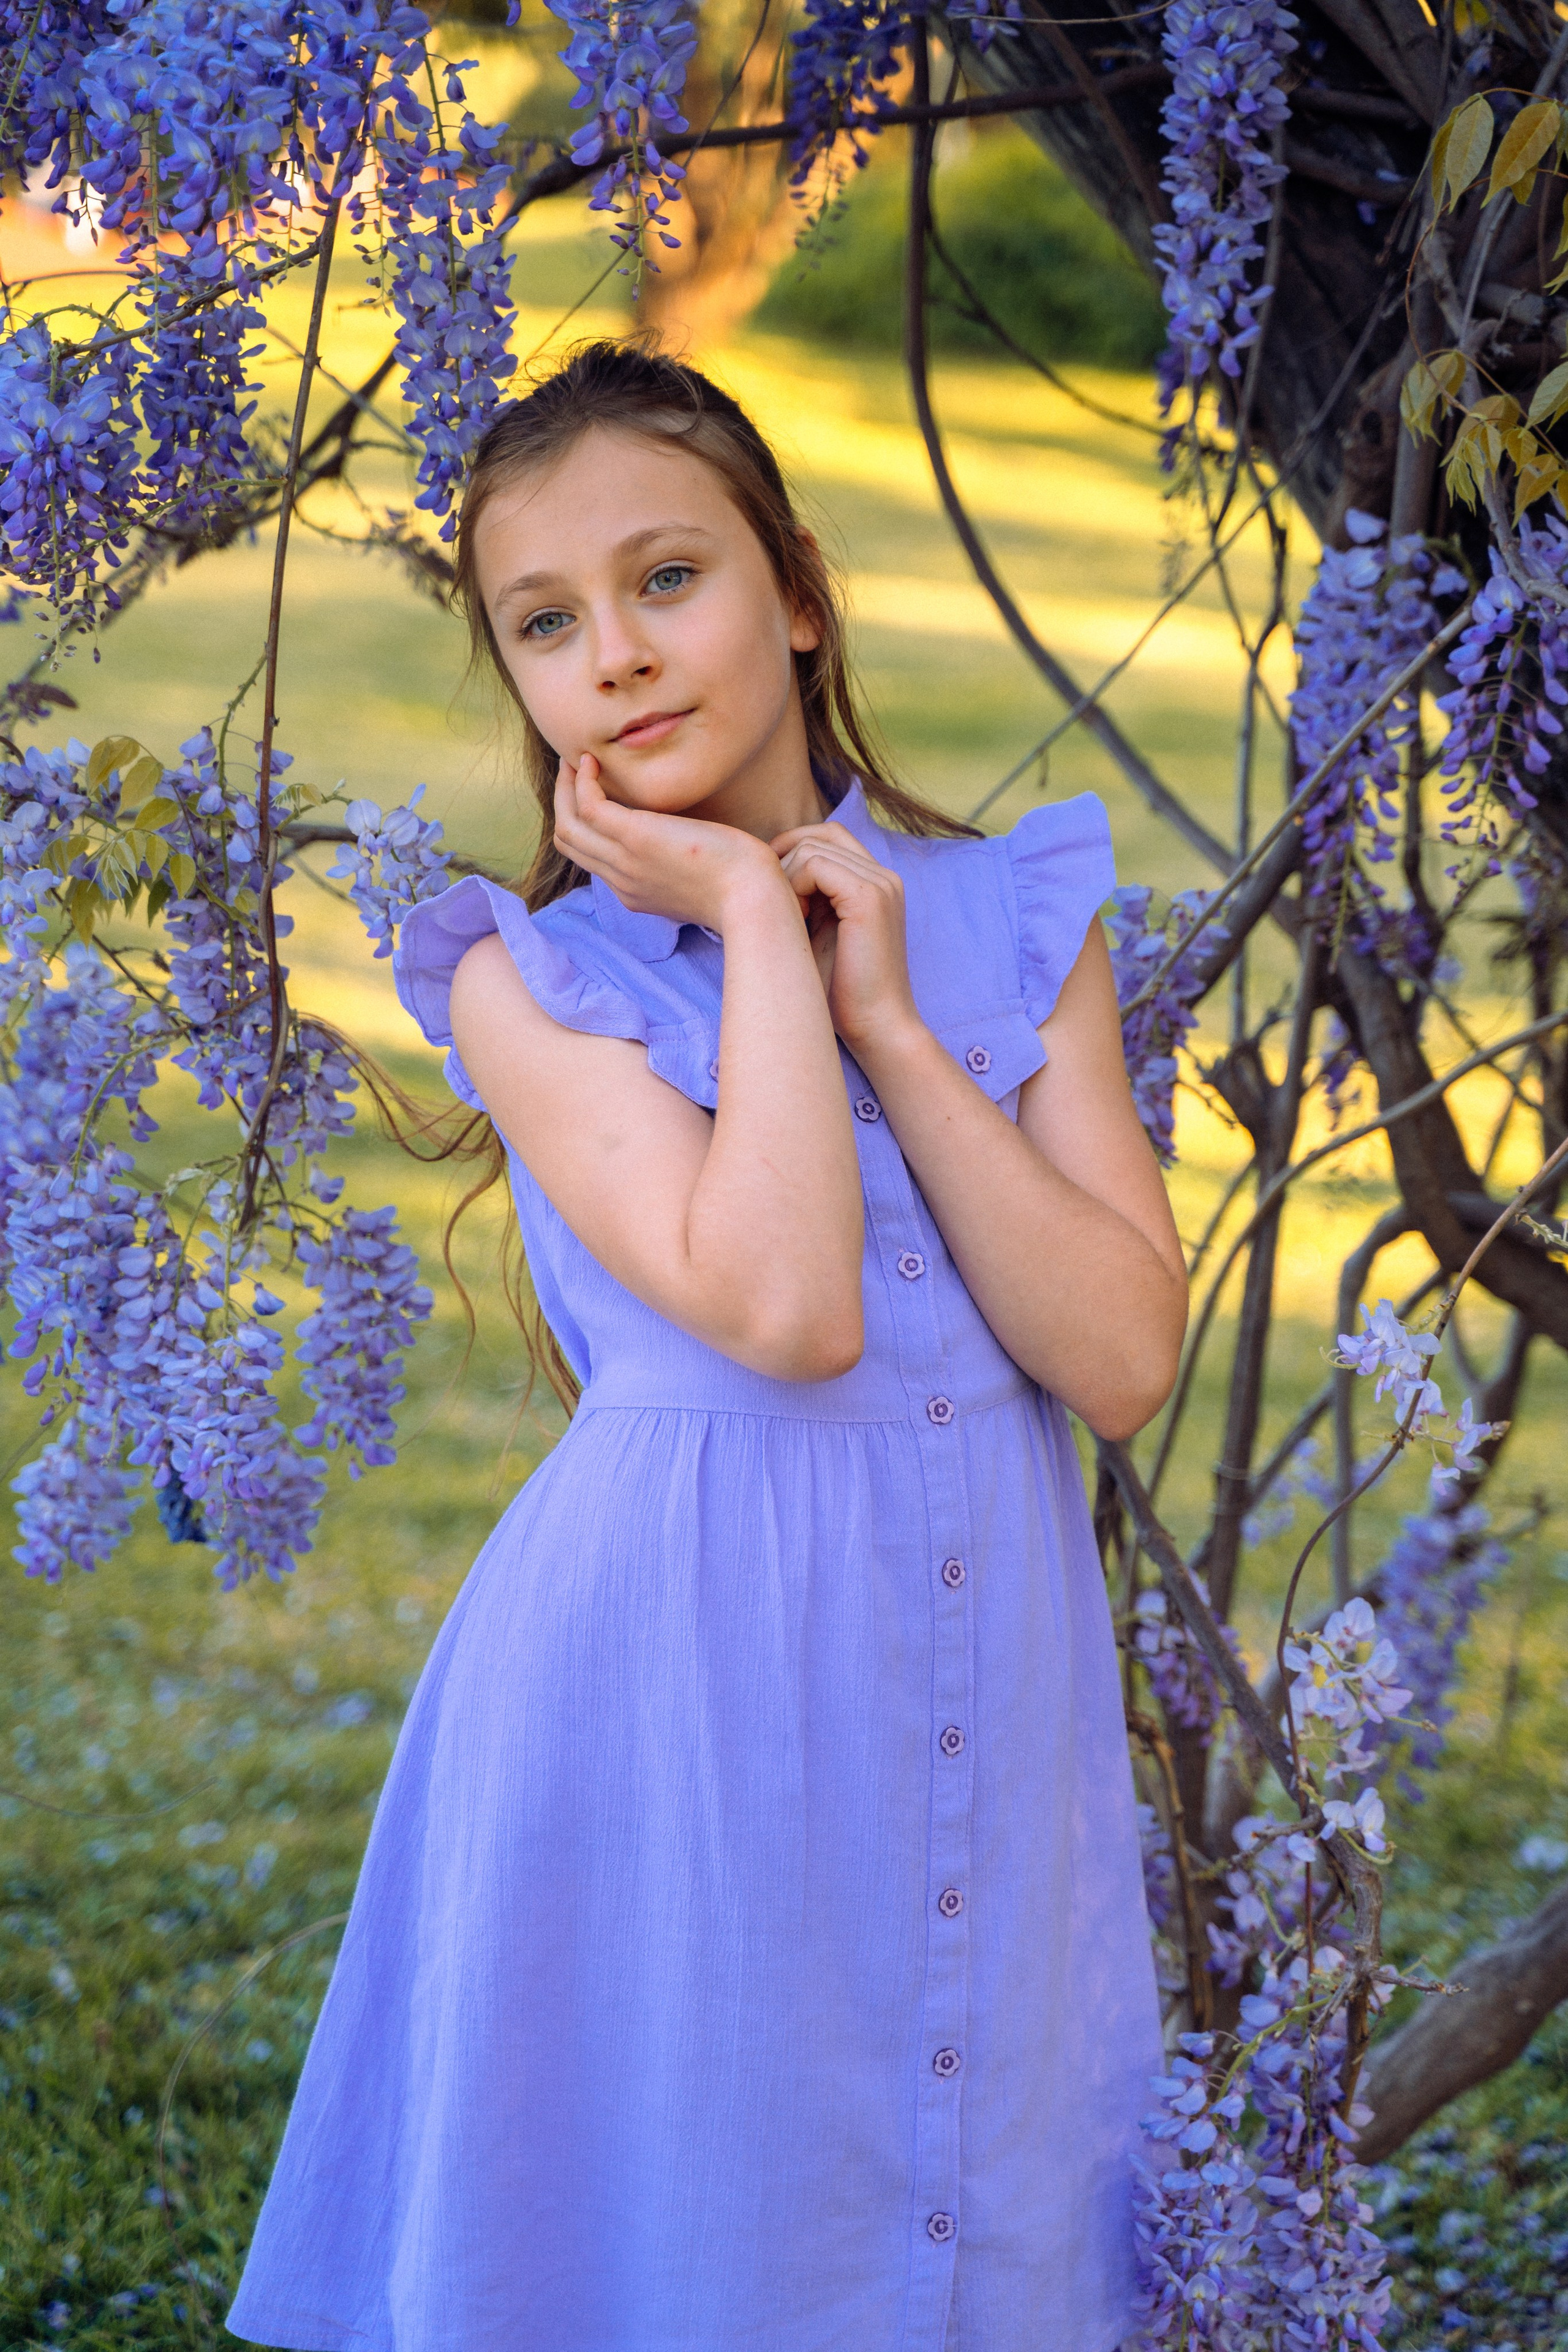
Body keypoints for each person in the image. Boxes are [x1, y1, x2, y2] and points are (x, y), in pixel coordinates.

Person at [225, 340, 1188, 2352]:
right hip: (675, 1693)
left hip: (975, 1671)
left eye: (671, 579)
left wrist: (902, 1028)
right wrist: (754, 923)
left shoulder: (1023, 919)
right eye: (548, 624)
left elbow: (1116, 1356)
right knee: (702, 2216)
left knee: (967, 2204)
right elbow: (785, 1302)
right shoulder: (525, 977)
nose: (618, 656)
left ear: (800, 593)